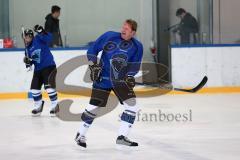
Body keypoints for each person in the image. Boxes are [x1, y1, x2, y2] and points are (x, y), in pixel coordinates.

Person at [75, 19, 143, 148]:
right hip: (103, 78)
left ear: (133, 33)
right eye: (123, 27)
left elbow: (134, 67)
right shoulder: (109, 36)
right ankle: (80, 134)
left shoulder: (137, 46)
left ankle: (122, 137)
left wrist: (129, 76)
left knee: (132, 107)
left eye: (127, 29)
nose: (123, 30)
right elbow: (92, 50)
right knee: (94, 107)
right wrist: (94, 66)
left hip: (120, 81)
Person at [22, 25, 59, 116]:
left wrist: (42, 32)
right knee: (34, 90)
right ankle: (38, 106)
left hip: (49, 66)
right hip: (38, 70)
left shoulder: (38, 38)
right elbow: (30, 64)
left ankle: (55, 106)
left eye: (29, 36)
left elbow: (49, 38)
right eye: (26, 37)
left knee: (49, 88)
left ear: (32, 36)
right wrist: (28, 62)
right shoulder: (27, 50)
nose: (27, 38)